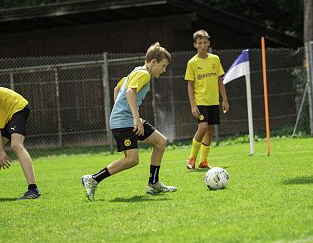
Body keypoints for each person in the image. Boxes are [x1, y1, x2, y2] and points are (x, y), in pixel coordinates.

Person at [81, 42, 177, 201]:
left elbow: (117, 89)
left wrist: (123, 111)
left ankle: (153, 184)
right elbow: (130, 93)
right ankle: (93, 179)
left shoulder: (137, 71)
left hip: (127, 119)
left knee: (160, 142)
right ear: (153, 62)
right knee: (132, 160)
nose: (164, 70)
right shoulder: (144, 74)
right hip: (125, 122)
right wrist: (134, 117)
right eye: (163, 65)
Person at [185, 30, 229, 171]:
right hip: (200, 101)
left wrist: (225, 100)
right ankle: (192, 158)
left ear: (209, 43)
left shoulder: (215, 59)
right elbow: (190, 85)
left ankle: (203, 161)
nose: (203, 45)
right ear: (195, 45)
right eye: (199, 43)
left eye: (205, 42)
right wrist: (193, 105)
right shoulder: (192, 63)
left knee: (209, 130)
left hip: (213, 101)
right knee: (202, 127)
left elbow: (219, 80)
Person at [0, 87, 41, 199]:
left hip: (18, 108)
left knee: (16, 145)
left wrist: (2, 151)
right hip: (7, 115)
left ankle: (33, 190)